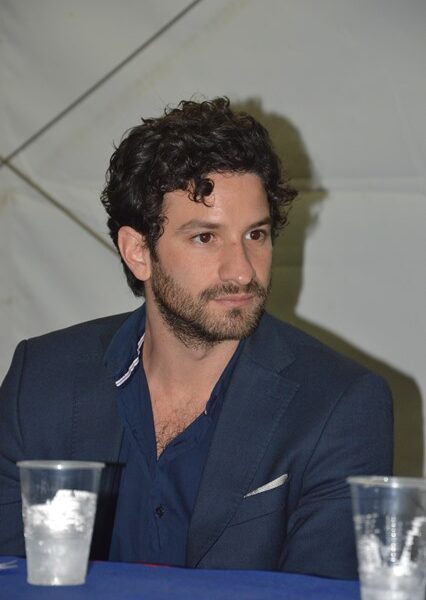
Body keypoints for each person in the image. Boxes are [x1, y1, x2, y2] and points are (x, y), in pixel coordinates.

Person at [0, 97, 392, 578]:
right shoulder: (41, 381)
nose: (242, 271)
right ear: (138, 252)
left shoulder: (339, 407)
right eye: (206, 238)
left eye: (256, 235)